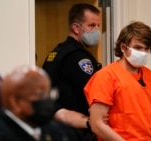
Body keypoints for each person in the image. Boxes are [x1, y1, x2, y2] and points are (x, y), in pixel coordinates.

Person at [84, 21, 151, 141]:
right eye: (137, 48)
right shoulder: (106, 76)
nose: (142, 53)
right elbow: (97, 125)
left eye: (146, 49)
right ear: (123, 47)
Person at [0, 65, 77, 141]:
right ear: (15, 103)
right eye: (40, 95)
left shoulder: (57, 131)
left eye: (49, 94)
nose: (47, 101)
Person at [42, 3, 102, 141]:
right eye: (92, 26)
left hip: (55, 127)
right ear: (76, 28)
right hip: (76, 130)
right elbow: (95, 93)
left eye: (98, 25)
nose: (97, 30)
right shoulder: (78, 57)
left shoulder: (56, 52)